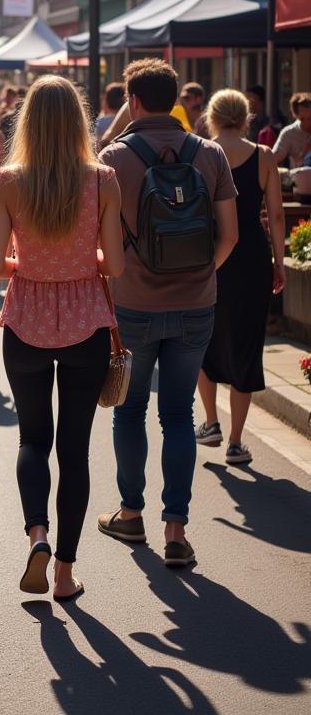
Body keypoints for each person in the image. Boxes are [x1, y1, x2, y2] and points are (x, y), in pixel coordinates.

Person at [0, 75, 124, 601]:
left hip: (25, 321)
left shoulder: (7, 180)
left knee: (31, 439)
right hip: (86, 322)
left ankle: (36, 534)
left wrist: (36, 262)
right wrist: (77, 260)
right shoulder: (102, 180)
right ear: (78, 122)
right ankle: (65, 572)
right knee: (75, 450)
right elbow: (116, 265)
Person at [97, 59, 238, 569]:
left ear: (133, 101)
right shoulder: (211, 154)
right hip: (196, 304)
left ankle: (130, 514)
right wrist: (199, 274)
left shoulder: (114, 158)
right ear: (176, 97)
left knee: (130, 411)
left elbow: (99, 237)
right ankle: (176, 529)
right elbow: (231, 235)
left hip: (134, 303)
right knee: (179, 414)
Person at [196, 90, 285, 465]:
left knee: (203, 337)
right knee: (247, 344)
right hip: (251, 256)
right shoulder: (263, 157)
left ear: (211, 116)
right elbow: (277, 216)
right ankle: (235, 441)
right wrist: (279, 262)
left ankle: (212, 422)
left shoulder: (200, 151)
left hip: (209, 255)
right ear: (246, 117)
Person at [272, 91, 311, 169]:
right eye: (303, 119)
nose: (309, 122)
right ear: (297, 117)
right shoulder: (289, 133)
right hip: (301, 177)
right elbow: (273, 159)